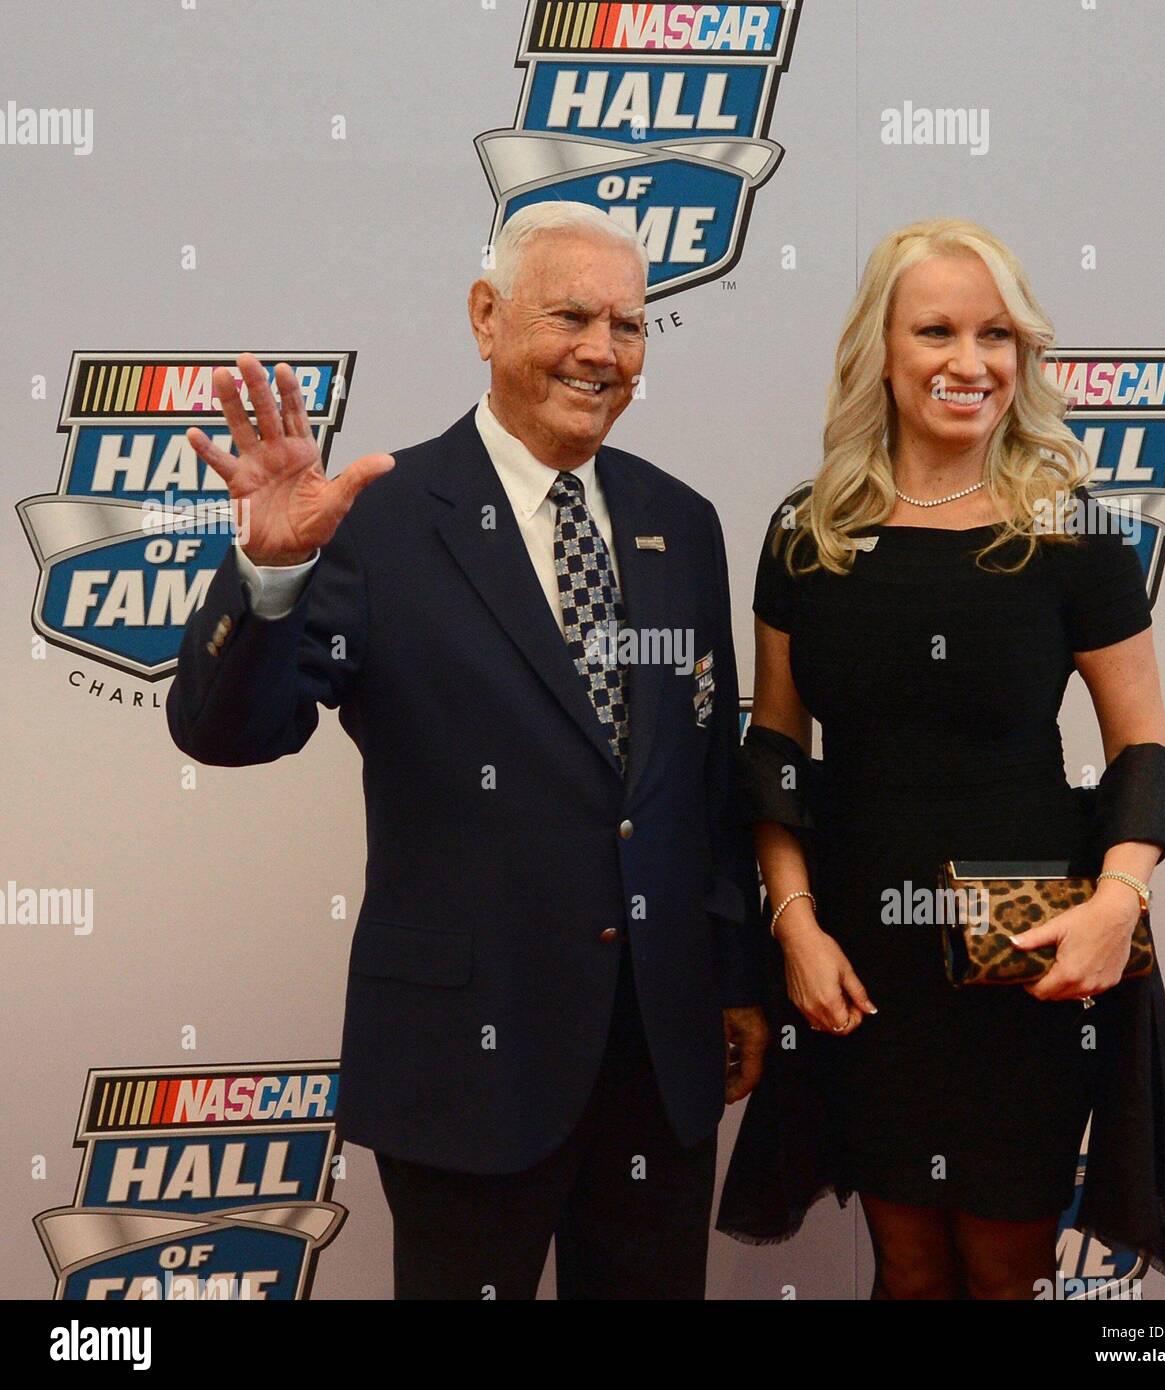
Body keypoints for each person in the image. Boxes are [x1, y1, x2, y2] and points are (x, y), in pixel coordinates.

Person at [166, 201, 768, 1300]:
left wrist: (732, 978)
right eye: (570, 316)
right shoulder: (377, 521)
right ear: (485, 318)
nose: (601, 350)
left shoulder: (680, 522)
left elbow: (699, 780)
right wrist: (267, 576)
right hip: (467, 1055)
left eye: (627, 326)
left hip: (658, 1056)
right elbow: (229, 731)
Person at [716, 218, 1165, 1298]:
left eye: (995, 335)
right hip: (858, 963)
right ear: (879, 349)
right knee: (908, 1262)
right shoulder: (809, 534)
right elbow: (777, 750)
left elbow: (1144, 745)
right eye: (934, 329)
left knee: (1001, 1261)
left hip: (1022, 964)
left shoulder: (1072, 535)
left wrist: (1117, 900)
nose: (967, 362)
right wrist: (792, 924)